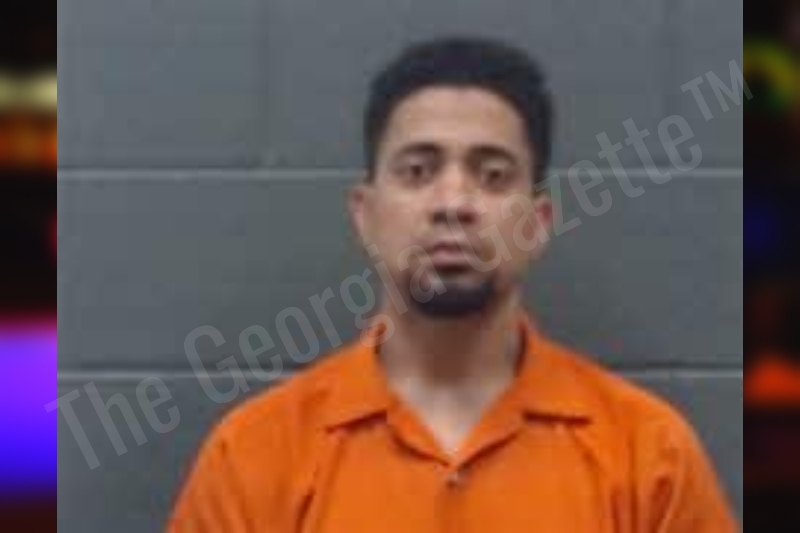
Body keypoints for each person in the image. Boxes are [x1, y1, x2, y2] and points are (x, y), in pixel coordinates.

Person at [167, 36, 738, 532]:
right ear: (366, 216)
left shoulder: (649, 455)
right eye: (418, 171)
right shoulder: (254, 456)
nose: (454, 203)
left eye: (492, 175)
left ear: (538, 222)